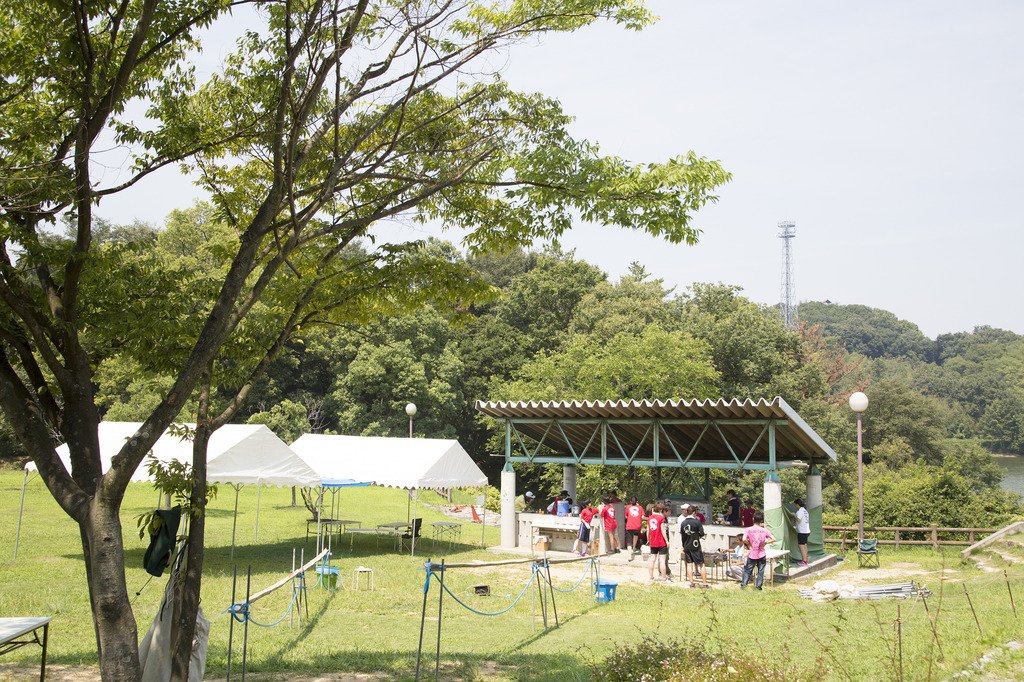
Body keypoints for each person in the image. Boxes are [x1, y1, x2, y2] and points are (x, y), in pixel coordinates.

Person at [741, 511, 777, 590]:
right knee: (761, 571)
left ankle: (744, 585)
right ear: (761, 520)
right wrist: (765, 543)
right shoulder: (764, 530)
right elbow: (774, 539)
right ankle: (758, 587)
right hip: (761, 553)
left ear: (753, 519)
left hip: (752, 553)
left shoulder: (748, 529)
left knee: (747, 570)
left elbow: (743, 539)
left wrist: (749, 544)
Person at [680, 504, 708, 588]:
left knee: (689, 564)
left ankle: (692, 583)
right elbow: (702, 533)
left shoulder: (683, 522)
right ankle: (704, 583)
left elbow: (682, 535)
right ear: (694, 512)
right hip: (695, 545)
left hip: (686, 545)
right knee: (701, 564)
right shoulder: (697, 521)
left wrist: (683, 546)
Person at [647, 502, 669, 581]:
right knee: (662, 561)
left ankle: (651, 576)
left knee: (652, 559)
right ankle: (663, 577)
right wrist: (667, 540)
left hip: (653, 541)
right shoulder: (661, 518)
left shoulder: (650, 518)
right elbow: (663, 530)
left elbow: (648, 530)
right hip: (661, 542)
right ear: (660, 509)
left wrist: (648, 539)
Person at [794, 498, 810, 566]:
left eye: (795, 505)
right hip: (806, 531)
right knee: (804, 545)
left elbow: (798, 520)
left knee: (801, 546)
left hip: (802, 531)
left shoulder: (800, 511)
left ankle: (804, 561)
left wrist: (794, 515)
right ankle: (806, 559)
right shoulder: (805, 511)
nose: (795, 506)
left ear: (797, 504)